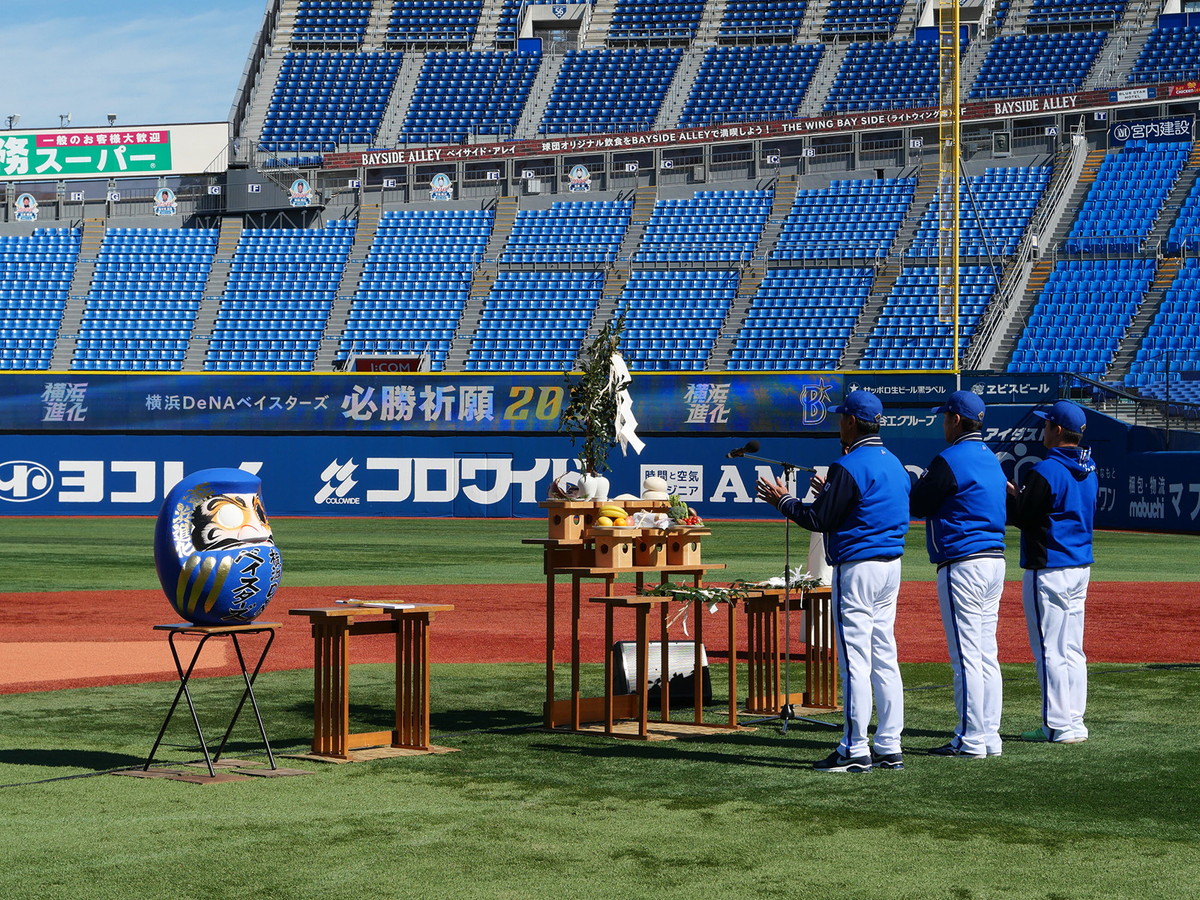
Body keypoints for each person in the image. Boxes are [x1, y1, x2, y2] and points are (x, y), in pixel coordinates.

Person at [756, 389, 911, 773]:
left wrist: (782, 502)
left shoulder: (849, 465)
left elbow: (818, 521)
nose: (839, 422)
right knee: (883, 656)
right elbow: (861, 510)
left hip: (858, 568)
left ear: (853, 422)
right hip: (891, 566)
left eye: (843, 417)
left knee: (855, 661)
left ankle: (855, 749)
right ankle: (889, 745)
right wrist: (828, 497)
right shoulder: (893, 462)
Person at [910, 390, 1007, 759]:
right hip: (994, 560)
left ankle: (969, 739)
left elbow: (918, 504)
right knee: (986, 653)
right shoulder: (990, 458)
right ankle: (989, 735)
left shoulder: (950, 458)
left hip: (963, 562)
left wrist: (915, 480)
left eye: (944, 417)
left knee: (966, 656)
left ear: (954, 419)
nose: (942, 423)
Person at [1007, 399, 1098, 744]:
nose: (1042, 429)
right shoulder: (1090, 467)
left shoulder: (1045, 470)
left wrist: (1012, 497)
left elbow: (1025, 518)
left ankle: (1057, 725)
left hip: (1049, 568)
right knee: (1072, 647)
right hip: (1079, 566)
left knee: (1050, 650)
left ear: (1057, 430)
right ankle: (1074, 721)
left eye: (1046, 425)